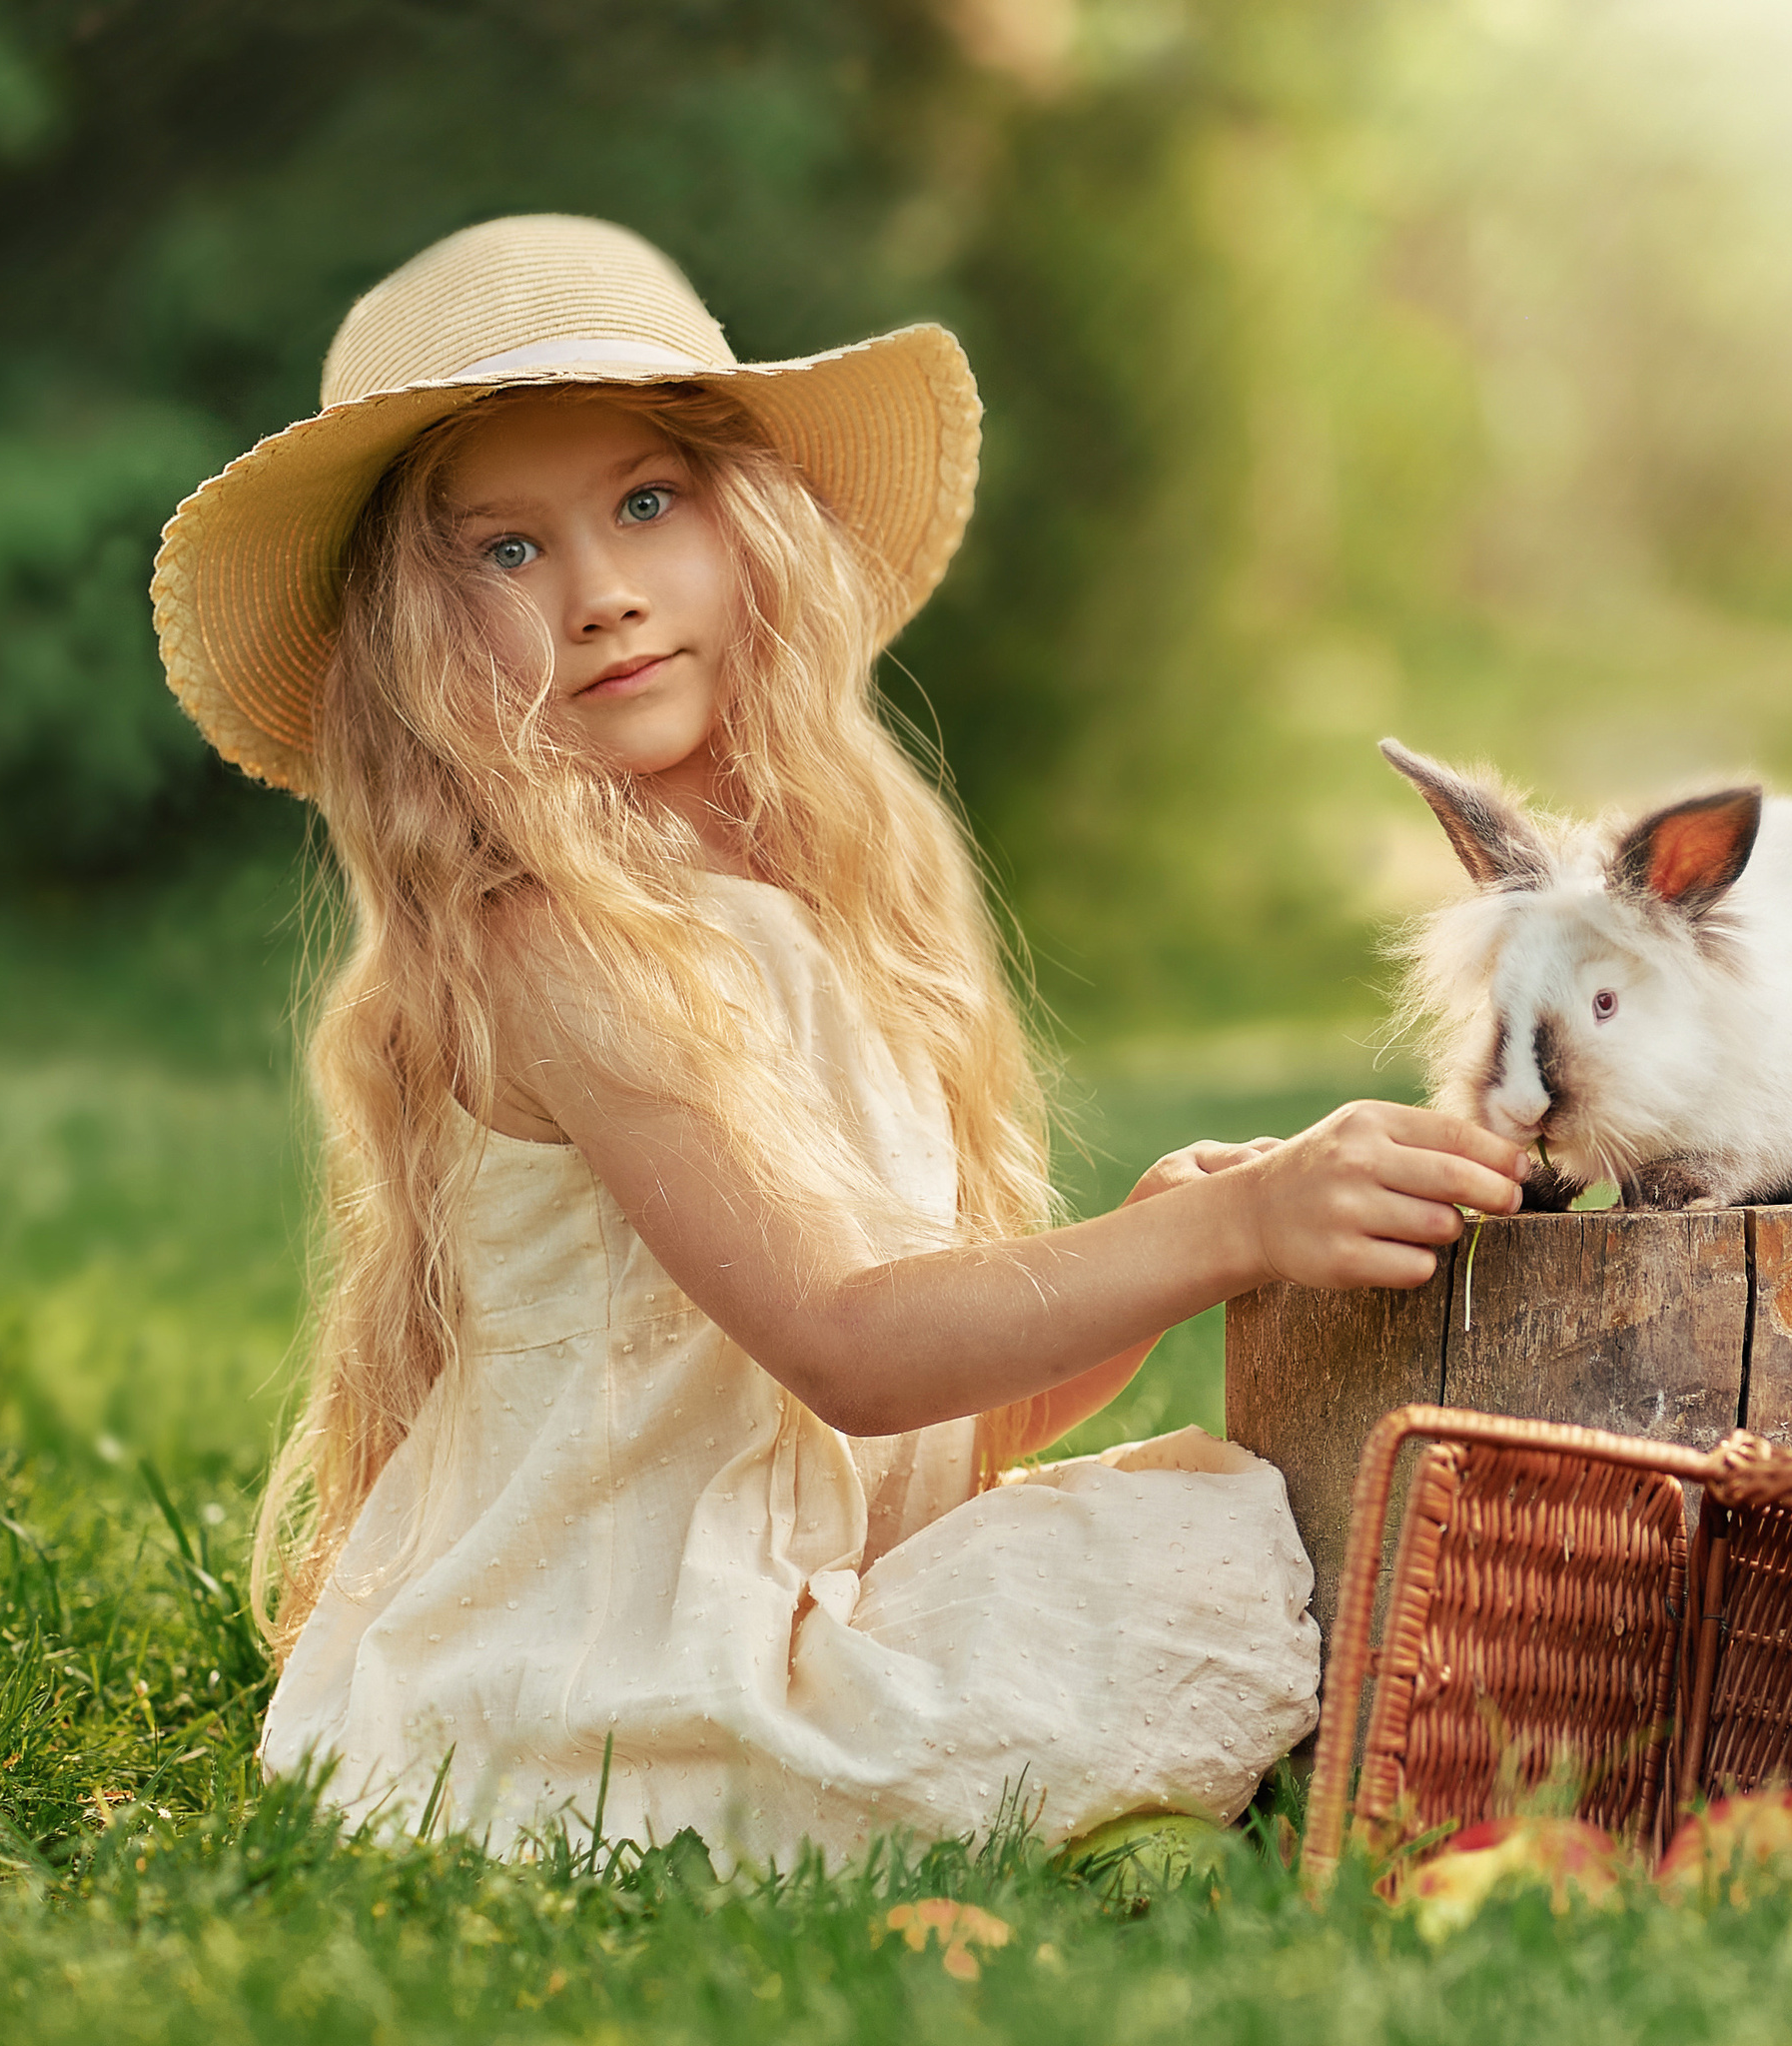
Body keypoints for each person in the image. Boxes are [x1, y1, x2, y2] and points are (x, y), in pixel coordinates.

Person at [151, 215, 1531, 1866]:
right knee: (1216, 1553)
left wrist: (1182, 1244)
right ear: (412, 638)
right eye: (505, 553)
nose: (601, 596)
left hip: (784, 1587)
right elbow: (848, 1349)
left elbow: (912, 1442)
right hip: (608, 1683)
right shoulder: (555, 943)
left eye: (646, 505)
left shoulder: (816, 909)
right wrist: (1222, 1224)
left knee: (1208, 1534)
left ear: (750, 533)